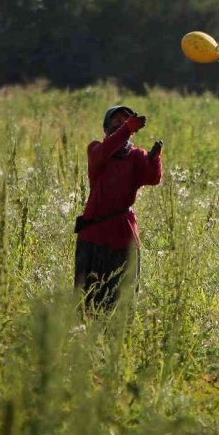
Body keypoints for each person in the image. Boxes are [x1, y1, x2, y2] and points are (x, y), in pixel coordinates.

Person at [74, 104, 163, 312]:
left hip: (123, 234)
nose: (121, 125)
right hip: (93, 235)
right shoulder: (96, 149)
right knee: (87, 297)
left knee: (122, 297)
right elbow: (107, 149)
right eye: (115, 123)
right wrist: (127, 129)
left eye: (125, 122)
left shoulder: (135, 155)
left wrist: (154, 159)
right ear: (105, 130)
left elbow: (153, 179)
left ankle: (118, 337)